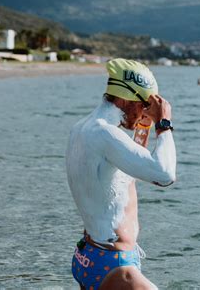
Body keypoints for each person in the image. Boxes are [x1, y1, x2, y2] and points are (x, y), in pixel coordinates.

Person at [66, 58, 177, 289]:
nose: (146, 111)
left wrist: (144, 127)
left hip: (90, 256)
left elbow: (128, 173)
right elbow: (164, 175)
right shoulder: (105, 134)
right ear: (126, 98)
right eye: (144, 104)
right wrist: (163, 124)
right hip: (115, 265)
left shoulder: (83, 129)